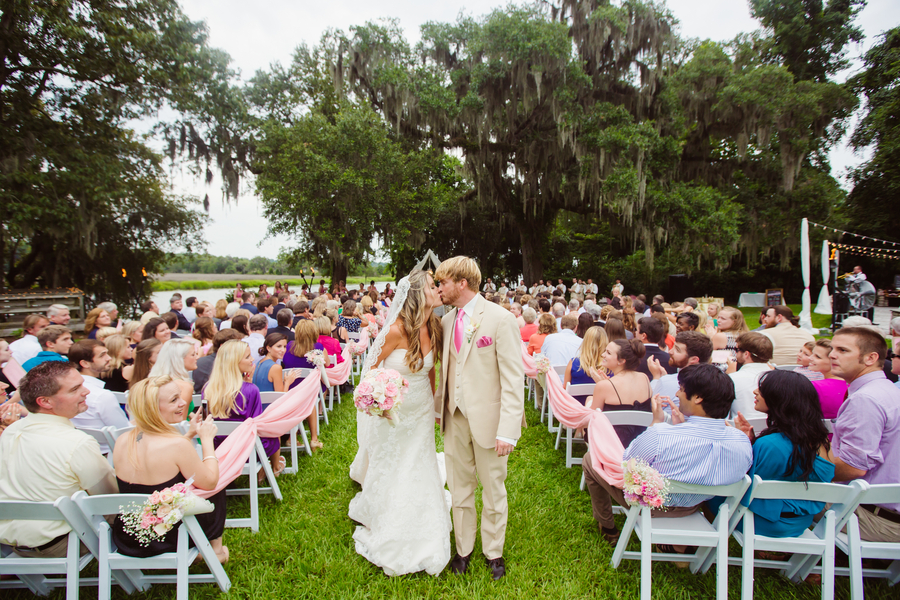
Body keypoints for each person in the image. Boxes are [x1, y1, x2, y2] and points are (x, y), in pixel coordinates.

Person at [347, 270, 451, 576]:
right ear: (420, 294)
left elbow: (432, 372)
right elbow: (369, 373)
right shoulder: (394, 331)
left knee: (418, 460)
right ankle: (388, 515)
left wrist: (433, 407)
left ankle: (422, 512)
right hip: (392, 411)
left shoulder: (434, 327)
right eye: (433, 286)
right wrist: (379, 399)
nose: (438, 290)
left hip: (419, 410)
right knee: (393, 461)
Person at [582, 363, 753, 547]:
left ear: (697, 398)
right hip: (696, 506)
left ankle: (608, 527)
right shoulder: (742, 441)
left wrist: (655, 423)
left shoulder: (660, 435)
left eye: (681, 389)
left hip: (653, 506)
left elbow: (627, 464)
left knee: (591, 459)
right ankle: (678, 547)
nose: (677, 395)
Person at [433, 257, 524, 580]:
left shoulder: (500, 319)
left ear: (462, 282)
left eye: (441, 282)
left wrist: (508, 431)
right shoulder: (445, 321)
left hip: (490, 420)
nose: (438, 288)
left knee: (493, 488)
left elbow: (514, 379)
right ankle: (463, 549)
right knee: (460, 487)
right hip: (454, 417)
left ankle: (494, 552)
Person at [0, 361, 118, 557]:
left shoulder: (12, 430)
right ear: (45, 402)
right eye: (75, 389)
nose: (86, 391)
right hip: (64, 543)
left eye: (82, 384)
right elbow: (108, 498)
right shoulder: (77, 442)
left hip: (14, 543)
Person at [109, 376, 228, 560]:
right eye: (174, 400)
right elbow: (210, 482)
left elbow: (162, 456)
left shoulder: (123, 440)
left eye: (180, 396)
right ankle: (216, 551)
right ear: (152, 409)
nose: (183, 403)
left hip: (129, 536)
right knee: (217, 485)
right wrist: (206, 440)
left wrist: (189, 434)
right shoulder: (176, 445)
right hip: (169, 537)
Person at [729, 370, 835, 537]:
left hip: (761, 522)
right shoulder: (822, 442)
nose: (755, 392)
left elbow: (742, 485)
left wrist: (740, 446)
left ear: (780, 398)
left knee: (712, 494)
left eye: (762, 389)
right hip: (800, 523)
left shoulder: (770, 444)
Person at [828, 327, 900, 542]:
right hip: (882, 508)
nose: (832, 354)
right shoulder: (888, 389)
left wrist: (805, 469)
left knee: (785, 487)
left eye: (842, 350)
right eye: (832, 349)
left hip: (874, 517)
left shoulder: (866, 399)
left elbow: (853, 469)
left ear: (870, 358)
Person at [204, 340, 285, 476]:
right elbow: (257, 424)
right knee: (274, 433)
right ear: (234, 362)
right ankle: (270, 470)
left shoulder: (208, 388)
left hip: (217, 450)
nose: (252, 359)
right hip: (247, 450)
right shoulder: (250, 390)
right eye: (247, 357)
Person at [68, 341, 129, 450]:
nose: (109, 358)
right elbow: (123, 431)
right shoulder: (101, 396)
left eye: (107, 353)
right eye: (102, 355)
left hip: (77, 448)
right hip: (109, 451)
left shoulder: (65, 389)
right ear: (85, 363)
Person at [591, 339, 652, 447]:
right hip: (642, 441)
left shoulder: (604, 386)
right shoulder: (644, 378)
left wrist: (604, 385)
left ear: (621, 361)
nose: (603, 354)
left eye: (608, 353)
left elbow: (591, 420)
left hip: (612, 443)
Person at [282, 319, 325, 450]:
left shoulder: (289, 345)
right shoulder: (317, 348)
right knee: (310, 397)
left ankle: (292, 437)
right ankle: (314, 439)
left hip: (290, 388)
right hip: (308, 390)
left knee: (305, 395)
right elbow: (327, 364)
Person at [647, 330, 714, 404]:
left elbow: (652, 406)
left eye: (677, 350)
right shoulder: (714, 382)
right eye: (673, 346)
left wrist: (656, 377)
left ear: (694, 359)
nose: (670, 351)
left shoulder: (667, 382)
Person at [727, 332, 772, 420]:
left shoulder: (731, 379)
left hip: (740, 429)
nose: (735, 353)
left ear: (746, 354)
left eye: (736, 350)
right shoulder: (781, 379)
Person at [148, 338, 199, 410]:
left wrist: (191, 415)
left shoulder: (152, 381)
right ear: (179, 359)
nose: (197, 357)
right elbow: (181, 420)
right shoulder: (184, 387)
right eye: (193, 354)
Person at [564, 326, 609, 406]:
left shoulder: (573, 363)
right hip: (602, 411)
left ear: (585, 342)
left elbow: (565, 390)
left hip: (576, 409)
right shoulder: (610, 368)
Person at [193, 329, 244, 394]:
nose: (240, 348)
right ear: (222, 346)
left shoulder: (200, 361)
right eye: (237, 346)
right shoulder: (227, 364)